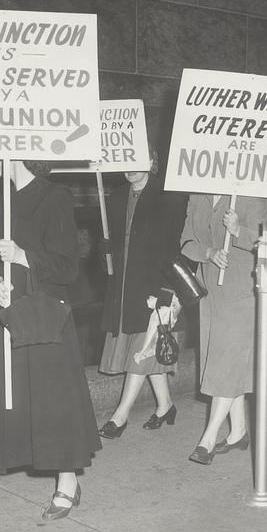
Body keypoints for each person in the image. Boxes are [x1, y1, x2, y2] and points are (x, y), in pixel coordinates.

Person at [0, 160, 100, 529]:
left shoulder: (55, 197)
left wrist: (23, 256)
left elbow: (67, 267)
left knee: (50, 404)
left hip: (43, 318)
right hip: (4, 315)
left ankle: (68, 482)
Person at [97, 157, 188, 439]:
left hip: (153, 285)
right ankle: (165, 405)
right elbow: (112, 241)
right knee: (148, 346)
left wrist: (165, 291)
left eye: (137, 159)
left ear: (151, 161)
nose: (130, 166)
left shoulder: (168, 195)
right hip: (125, 287)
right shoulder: (116, 196)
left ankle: (120, 415)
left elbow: (176, 246)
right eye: (125, 159)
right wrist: (105, 252)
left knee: (141, 348)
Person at [180, 193, 267, 465]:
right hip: (209, 292)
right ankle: (239, 432)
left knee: (226, 364)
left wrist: (237, 231)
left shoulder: (251, 196)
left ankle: (207, 439)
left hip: (242, 292)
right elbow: (186, 242)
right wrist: (208, 253)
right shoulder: (196, 196)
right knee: (225, 362)